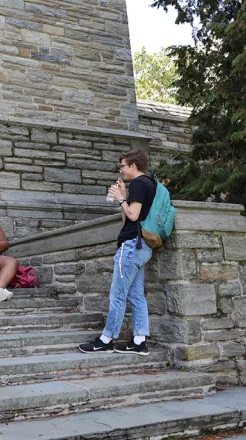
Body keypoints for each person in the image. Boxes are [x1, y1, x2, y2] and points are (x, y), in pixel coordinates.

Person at [79, 150, 156, 356]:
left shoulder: (140, 183)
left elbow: (133, 214)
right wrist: (125, 197)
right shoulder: (149, 184)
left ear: (133, 166)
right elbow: (128, 219)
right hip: (142, 246)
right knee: (136, 295)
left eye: (122, 165)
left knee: (118, 295)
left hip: (131, 246)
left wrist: (122, 199)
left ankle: (106, 339)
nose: (121, 170)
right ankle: (139, 342)